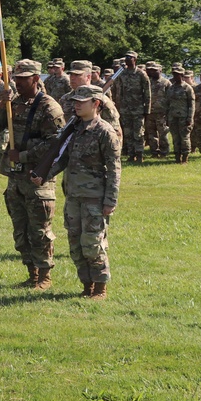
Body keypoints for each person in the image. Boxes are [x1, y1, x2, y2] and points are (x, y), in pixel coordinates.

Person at [0, 59, 65, 290]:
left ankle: (44, 276)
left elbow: (56, 144)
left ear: (36, 79)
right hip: (15, 178)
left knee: (40, 230)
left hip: (38, 178)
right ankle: (32, 273)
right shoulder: (14, 103)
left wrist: (25, 155)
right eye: (16, 78)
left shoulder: (49, 107)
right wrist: (2, 106)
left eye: (23, 79)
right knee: (21, 230)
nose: (18, 83)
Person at [33, 85, 120, 300]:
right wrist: (45, 174)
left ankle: (100, 287)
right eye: (75, 101)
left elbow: (114, 169)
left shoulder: (105, 132)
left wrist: (110, 200)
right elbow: (63, 158)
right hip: (73, 196)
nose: (77, 104)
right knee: (75, 244)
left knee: (92, 244)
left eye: (82, 101)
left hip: (94, 198)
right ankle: (86, 284)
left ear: (96, 104)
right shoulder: (74, 130)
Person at [60, 60, 123, 140]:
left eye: (77, 75)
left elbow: (115, 133)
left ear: (88, 77)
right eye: (71, 74)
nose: (72, 78)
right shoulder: (65, 99)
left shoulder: (102, 101)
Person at [112, 51, 151, 163]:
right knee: (128, 133)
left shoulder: (141, 74)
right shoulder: (122, 74)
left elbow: (147, 93)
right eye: (126, 57)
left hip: (138, 108)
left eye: (130, 57)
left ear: (135, 60)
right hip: (125, 108)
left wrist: (146, 109)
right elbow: (119, 90)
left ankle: (139, 154)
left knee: (138, 133)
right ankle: (130, 154)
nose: (128, 59)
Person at [163, 63, 195, 163]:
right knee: (175, 138)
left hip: (184, 117)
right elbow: (167, 103)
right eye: (174, 74)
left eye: (177, 74)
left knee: (184, 138)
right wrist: (167, 117)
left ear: (182, 75)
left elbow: (192, 104)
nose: (175, 76)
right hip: (173, 117)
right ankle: (177, 157)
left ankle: (185, 157)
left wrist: (190, 118)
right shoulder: (171, 88)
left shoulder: (187, 88)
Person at [145, 62, 171, 158]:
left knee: (163, 134)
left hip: (162, 113)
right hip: (150, 113)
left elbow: (170, 98)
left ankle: (164, 152)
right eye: (151, 70)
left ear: (160, 71)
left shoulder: (166, 83)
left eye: (155, 70)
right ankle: (154, 152)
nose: (153, 72)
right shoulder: (148, 82)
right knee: (151, 134)